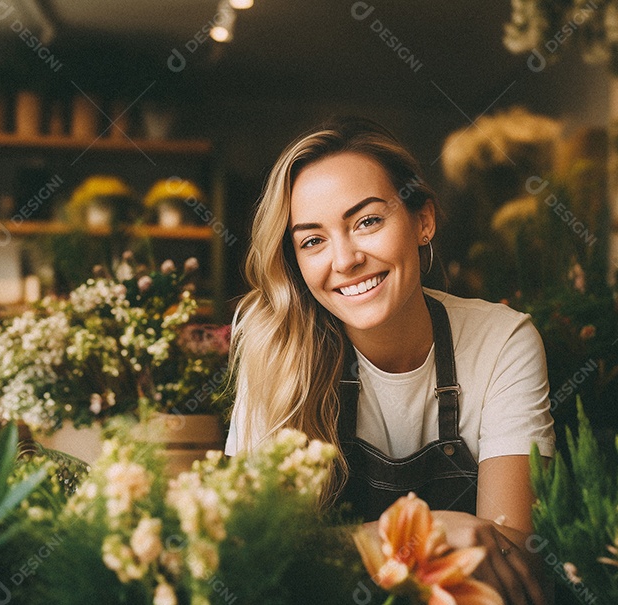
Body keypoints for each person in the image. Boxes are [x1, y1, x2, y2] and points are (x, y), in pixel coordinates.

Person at [224, 117, 555, 605]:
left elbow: (510, 559)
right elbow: (251, 557)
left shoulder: (502, 341)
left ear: (423, 221)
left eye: (367, 222)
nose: (345, 260)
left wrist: (334, 549)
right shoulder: (273, 351)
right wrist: (419, 533)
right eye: (313, 240)